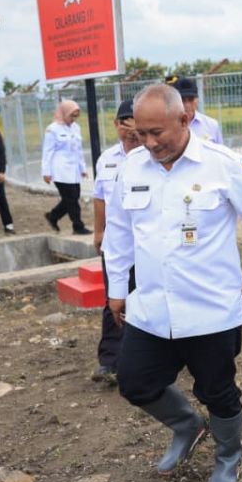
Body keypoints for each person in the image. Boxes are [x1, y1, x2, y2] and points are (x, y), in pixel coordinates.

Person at [103, 84, 242, 482]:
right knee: (134, 381)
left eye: (157, 133)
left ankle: (227, 457)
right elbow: (118, 233)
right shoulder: (132, 168)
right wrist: (116, 289)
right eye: (140, 133)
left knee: (218, 391)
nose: (148, 143)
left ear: (184, 120)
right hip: (151, 309)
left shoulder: (222, 164)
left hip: (211, 309)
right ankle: (187, 425)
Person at [91, 98, 140, 384]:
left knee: (146, 298)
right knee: (114, 300)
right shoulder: (107, 158)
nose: (131, 128)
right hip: (115, 244)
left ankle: (147, 359)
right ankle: (110, 360)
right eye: (125, 121)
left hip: (146, 244)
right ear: (116, 124)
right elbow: (100, 197)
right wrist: (99, 231)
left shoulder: (153, 156)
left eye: (136, 121)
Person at [42, 100, 91, 235]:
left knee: (73, 196)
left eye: (76, 116)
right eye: (72, 115)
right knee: (71, 199)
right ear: (64, 113)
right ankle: (78, 226)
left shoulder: (76, 128)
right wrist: (46, 172)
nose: (73, 119)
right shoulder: (52, 129)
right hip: (60, 170)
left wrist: (83, 169)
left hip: (74, 170)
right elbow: (47, 152)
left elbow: (79, 150)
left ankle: (53, 216)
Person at [166, 76, 224, 144]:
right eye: (182, 100)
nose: (187, 105)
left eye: (191, 99)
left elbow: (219, 152)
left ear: (197, 100)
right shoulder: (167, 127)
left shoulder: (211, 125)